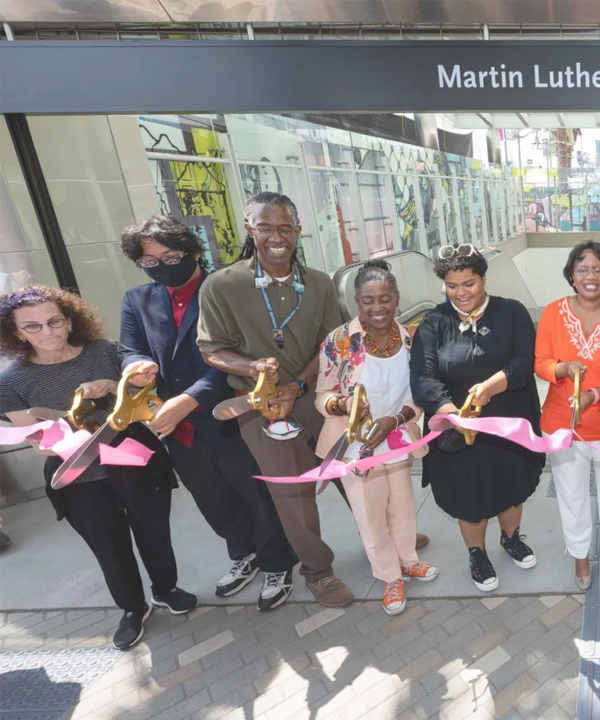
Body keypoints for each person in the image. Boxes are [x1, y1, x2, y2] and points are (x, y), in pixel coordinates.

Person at [0, 286, 196, 650]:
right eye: (32, 326)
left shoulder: (105, 351)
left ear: (70, 319)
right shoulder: (10, 382)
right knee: (108, 545)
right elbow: (38, 440)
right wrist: (62, 435)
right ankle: (132, 608)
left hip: (135, 459)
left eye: (54, 321)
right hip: (78, 474)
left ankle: (166, 588)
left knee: (154, 531)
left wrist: (116, 385)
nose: (47, 332)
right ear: (16, 332)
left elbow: (141, 391)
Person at [118, 216, 298, 611]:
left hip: (231, 413)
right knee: (212, 498)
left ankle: (277, 561)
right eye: (150, 262)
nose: (162, 267)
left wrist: (191, 398)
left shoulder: (227, 290)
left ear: (194, 253)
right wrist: (136, 367)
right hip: (176, 425)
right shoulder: (137, 300)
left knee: (257, 494)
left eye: (171, 257)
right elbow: (129, 349)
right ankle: (244, 552)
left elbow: (245, 354)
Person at [197, 192, 355, 608]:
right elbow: (211, 349)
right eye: (265, 228)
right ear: (250, 229)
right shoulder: (221, 285)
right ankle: (318, 572)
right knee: (293, 494)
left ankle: (386, 537)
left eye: (285, 228)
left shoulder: (319, 283)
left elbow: (331, 344)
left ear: (298, 231)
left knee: (355, 469)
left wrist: (298, 385)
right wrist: (252, 368)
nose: (276, 237)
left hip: (319, 395)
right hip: (260, 407)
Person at [410, 244, 543, 592]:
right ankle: (477, 553)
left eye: (469, 283)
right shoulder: (433, 323)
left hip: (508, 419)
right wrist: (451, 412)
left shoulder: (512, 313)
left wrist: (490, 387)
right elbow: (423, 377)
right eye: (452, 286)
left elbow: (523, 363)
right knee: (468, 493)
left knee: (511, 485)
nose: (461, 293)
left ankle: (511, 538)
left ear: (484, 278)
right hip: (458, 429)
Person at [315, 259, 437, 615]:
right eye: (368, 301)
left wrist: (396, 419)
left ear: (396, 299)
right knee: (370, 516)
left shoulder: (413, 338)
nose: (377, 308)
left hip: (398, 439)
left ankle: (407, 560)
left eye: (385, 299)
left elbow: (422, 391)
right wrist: (342, 404)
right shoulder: (339, 341)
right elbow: (322, 396)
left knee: (402, 508)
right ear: (356, 301)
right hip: (356, 447)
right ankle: (389, 576)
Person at [534, 241, 600, 591]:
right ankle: (579, 555)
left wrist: (596, 394)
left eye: (599, 270)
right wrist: (562, 368)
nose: (591, 276)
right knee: (571, 494)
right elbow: (540, 363)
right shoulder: (552, 312)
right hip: (562, 424)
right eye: (583, 269)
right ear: (572, 274)